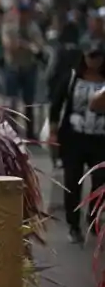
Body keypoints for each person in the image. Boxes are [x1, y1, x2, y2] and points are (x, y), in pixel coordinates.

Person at [49, 38, 105, 243]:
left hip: (100, 140)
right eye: (91, 56)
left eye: (98, 56)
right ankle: (73, 225)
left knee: (100, 182)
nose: (94, 61)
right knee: (73, 181)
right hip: (74, 138)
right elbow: (56, 104)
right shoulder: (72, 78)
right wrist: (53, 132)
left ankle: (94, 218)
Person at [1, 1, 45, 139]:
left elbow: (39, 47)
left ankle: (31, 133)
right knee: (11, 101)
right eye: (21, 12)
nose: (23, 16)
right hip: (13, 67)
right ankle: (11, 132)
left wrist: (26, 45)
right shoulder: (9, 27)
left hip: (28, 68)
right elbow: (10, 46)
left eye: (25, 12)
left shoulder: (33, 28)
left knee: (29, 102)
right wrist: (27, 45)